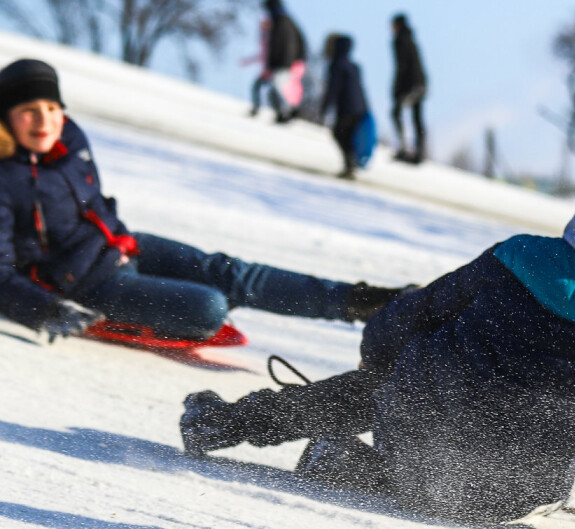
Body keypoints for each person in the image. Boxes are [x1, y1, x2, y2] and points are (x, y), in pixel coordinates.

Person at [180, 165, 575, 524]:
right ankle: (367, 471)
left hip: (411, 435)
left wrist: (379, 364)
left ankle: (225, 423)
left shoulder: (517, 256)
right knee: (433, 417)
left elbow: (407, 320)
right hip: (510, 495)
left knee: (389, 383)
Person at [0, 59, 403, 344]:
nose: (45, 121)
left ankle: (363, 301)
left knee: (233, 274)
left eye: (52, 108)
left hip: (124, 246)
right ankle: (185, 305)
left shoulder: (70, 139)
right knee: (211, 307)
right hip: (89, 285)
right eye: (29, 111)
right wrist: (48, 310)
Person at [251, 0, 306, 123]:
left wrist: (282, 62)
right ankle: (281, 112)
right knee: (271, 87)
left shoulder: (282, 22)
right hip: (284, 62)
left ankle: (290, 110)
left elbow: (282, 45)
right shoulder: (284, 22)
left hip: (285, 62)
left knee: (278, 86)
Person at [322, 34, 369, 180]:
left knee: (340, 134)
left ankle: (349, 166)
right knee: (346, 136)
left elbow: (333, 87)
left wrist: (326, 105)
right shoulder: (354, 66)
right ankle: (350, 165)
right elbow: (361, 89)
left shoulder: (336, 64)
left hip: (347, 108)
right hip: (359, 108)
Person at [390, 13, 428, 164]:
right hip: (422, 83)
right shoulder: (411, 40)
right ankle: (419, 152)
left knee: (397, 113)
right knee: (417, 118)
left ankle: (404, 148)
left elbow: (402, 67)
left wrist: (397, 89)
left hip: (411, 85)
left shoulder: (399, 41)